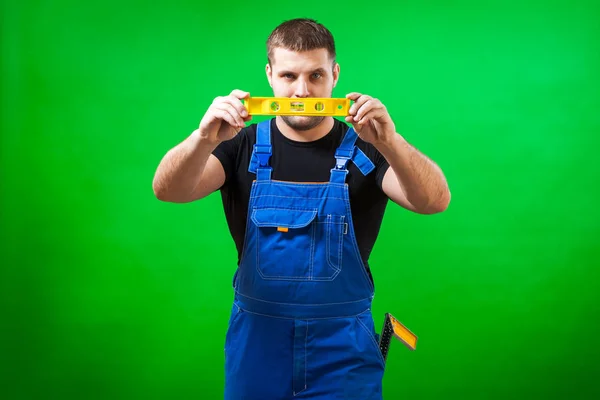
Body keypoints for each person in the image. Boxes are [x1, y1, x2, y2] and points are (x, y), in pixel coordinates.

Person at [152, 18, 450, 400]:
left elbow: (433, 201)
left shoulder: (367, 150)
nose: (302, 91)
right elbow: (169, 190)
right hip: (257, 350)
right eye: (289, 76)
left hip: (343, 353)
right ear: (270, 75)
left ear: (335, 75)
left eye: (316, 76)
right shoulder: (238, 146)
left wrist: (391, 142)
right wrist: (203, 137)